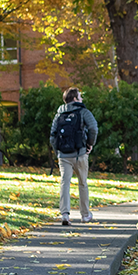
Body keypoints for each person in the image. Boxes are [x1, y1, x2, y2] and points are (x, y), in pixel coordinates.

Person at [49, 87, 98, 226]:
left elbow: (53, 135)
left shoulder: (59, 114)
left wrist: (58, 150)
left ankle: (65, 214)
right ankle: (85, 215)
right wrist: (90, 144)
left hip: (63, 156)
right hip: (80, 153)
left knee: (65, 182)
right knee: (82, 183)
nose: (82, 99)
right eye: (80, 96)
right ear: (75, 99)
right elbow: (94, 128)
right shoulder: (83, 112)